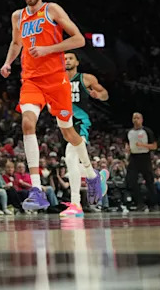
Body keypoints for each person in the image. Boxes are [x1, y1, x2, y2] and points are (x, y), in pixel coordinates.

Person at [0, 0, 104, 213]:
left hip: (56, 79)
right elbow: (16, 44)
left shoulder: (52, 10)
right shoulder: (18, 16)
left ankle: (90, 173)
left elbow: (78, 40)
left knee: (68, 131)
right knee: (27, 123)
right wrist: (8, 63)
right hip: (31, 79)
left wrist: (49, 49)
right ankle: (37, 190)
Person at [62, 52, 110, 217]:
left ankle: (76, 203)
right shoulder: (57, 79)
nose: (67, 60)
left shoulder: (86, 78)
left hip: (81, 121)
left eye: (70, 58)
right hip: (64, 122)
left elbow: (105, 94)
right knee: (72, 162)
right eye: (65, 58)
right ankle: (94, 176)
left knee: (70, 156)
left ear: (77, 61)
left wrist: (98, 95)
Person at [126, 112, 158, 211]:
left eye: (137, 118)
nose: (135, 120)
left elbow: (154, 146)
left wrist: (143, 145)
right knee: (131, 180)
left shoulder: (147, 131)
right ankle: (140, 203)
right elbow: (127, 144)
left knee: (149, 181)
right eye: (134, 118)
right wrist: (127, 150)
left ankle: (154, 204)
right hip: (134, 158)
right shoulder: (129, 132)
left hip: (145, 157)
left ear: (142, 120)